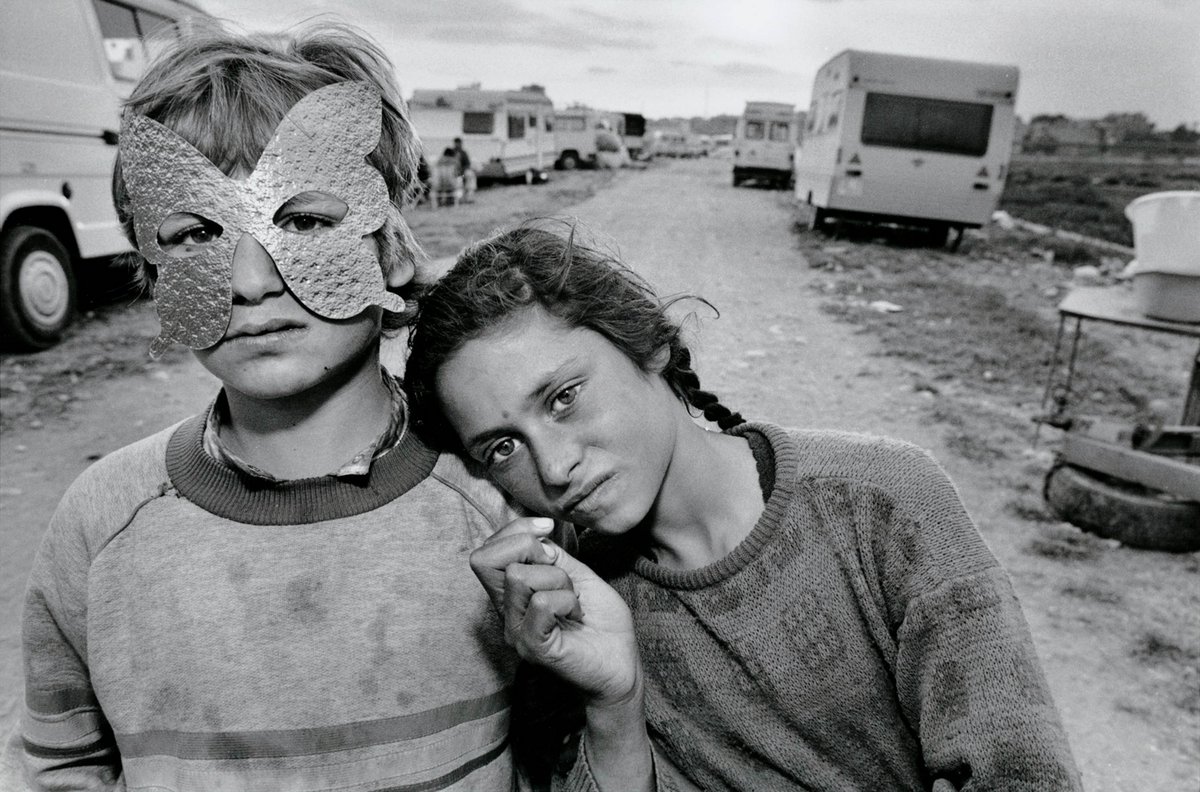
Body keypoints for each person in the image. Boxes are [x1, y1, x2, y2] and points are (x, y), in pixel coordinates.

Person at [7, 22, 547, 792]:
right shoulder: (102, 523)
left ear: (390, 245)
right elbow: (61, 766)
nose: (251, 280)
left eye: (302, 221)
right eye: (195, 234)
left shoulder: (495, 506)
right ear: (151, 272)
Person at [403, 220, 1085, 791]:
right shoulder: (570, 603)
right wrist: (614, 702)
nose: (553, 466)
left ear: (649, 343)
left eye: (562, 397)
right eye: (501, 447)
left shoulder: (880, 503)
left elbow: (1024, 773)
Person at [452, 136, 476, 203]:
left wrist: (463, 170)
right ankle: (460, 198)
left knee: (470, 175)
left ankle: (469, 197)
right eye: (457, 143)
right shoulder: (451, 152)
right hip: (453, 173)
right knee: (459, 180)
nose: (458, 145)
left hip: (462, 172)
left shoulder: (463, 153)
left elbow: (468, 164)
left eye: (459, 143)